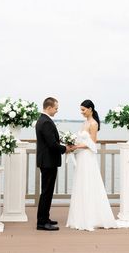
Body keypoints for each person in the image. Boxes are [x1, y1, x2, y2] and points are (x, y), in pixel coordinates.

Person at [66, 99, 117, 231]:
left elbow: (93, 143)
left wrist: (76, 146)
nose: (81, 112)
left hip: (88, 157)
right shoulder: (84, 122)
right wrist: (72, 144)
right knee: (81, 184)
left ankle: (92, 217)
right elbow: (81, 139)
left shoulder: (93, 124)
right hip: (81, 156)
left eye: (83, 109)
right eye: (81, 110)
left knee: (89, 183)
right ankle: (80, 216)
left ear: (90, 109)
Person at [36, 97, 71, 231]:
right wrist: (65, 148)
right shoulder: (45, 122)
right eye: (56, 108)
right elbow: (52, 144)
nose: (57, 111)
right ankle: (41, 222)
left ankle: (45, 218)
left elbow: (50, 141)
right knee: (46, 192)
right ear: (49, 107)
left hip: (47, 161)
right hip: (48, 162)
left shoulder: (43, 120)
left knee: (47, 191)